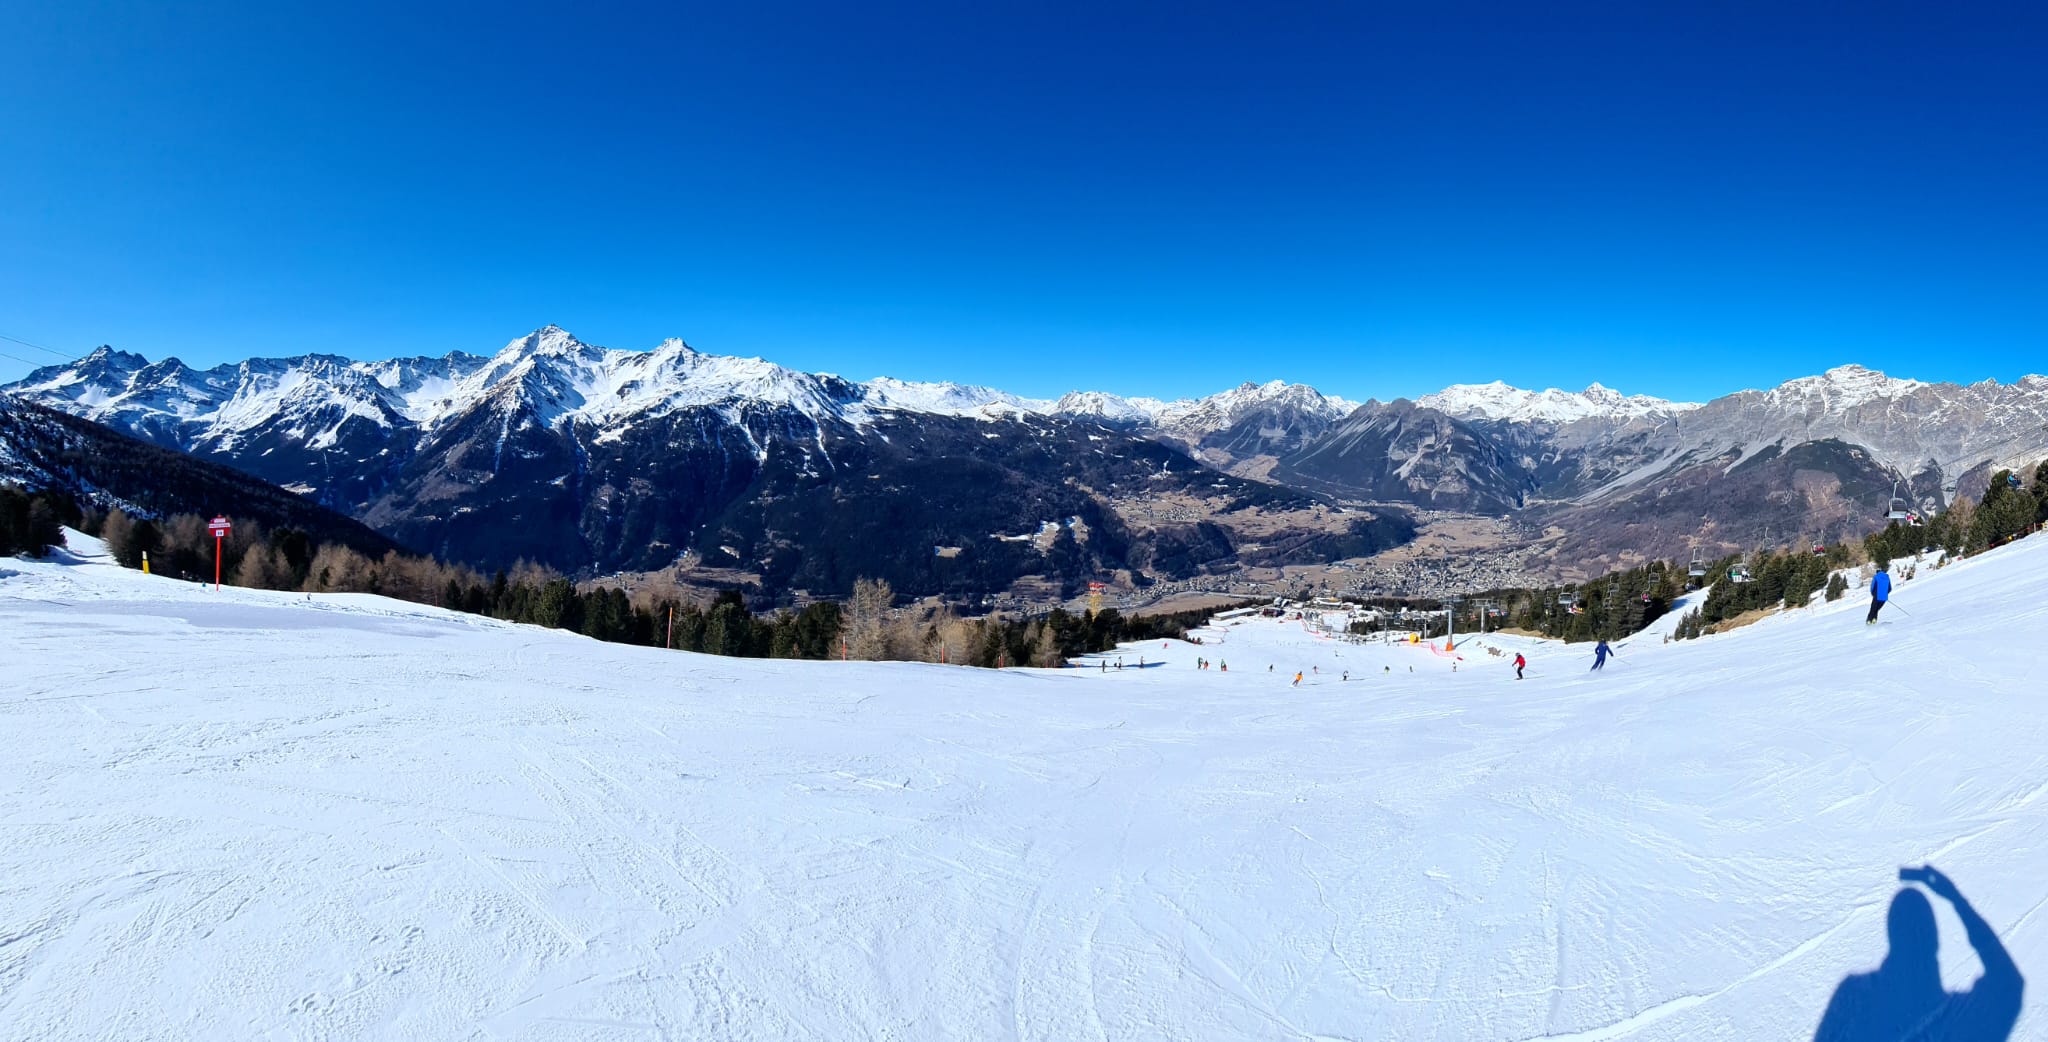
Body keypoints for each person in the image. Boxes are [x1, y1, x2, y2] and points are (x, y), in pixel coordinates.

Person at [1813, 865, 2021, 1041]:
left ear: (1891, 933)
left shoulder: (1854, 997)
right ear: (1935, 940)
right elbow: (2009, 984)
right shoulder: (1957, 1019)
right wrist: (1956, 900)